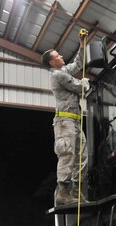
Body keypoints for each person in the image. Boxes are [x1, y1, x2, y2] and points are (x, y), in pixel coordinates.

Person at [42, 32, 90, 205]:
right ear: (52, 62)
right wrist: (85, 82)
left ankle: (76, 192)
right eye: (57, 56)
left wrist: (82, 44)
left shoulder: (63, 71)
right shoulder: (57, 75)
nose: (61, 56)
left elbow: (78, 63)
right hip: (64, 123)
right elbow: (79, 88)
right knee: (68, 155)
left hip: (75, 121)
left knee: (82, 156)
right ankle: (63, 192)